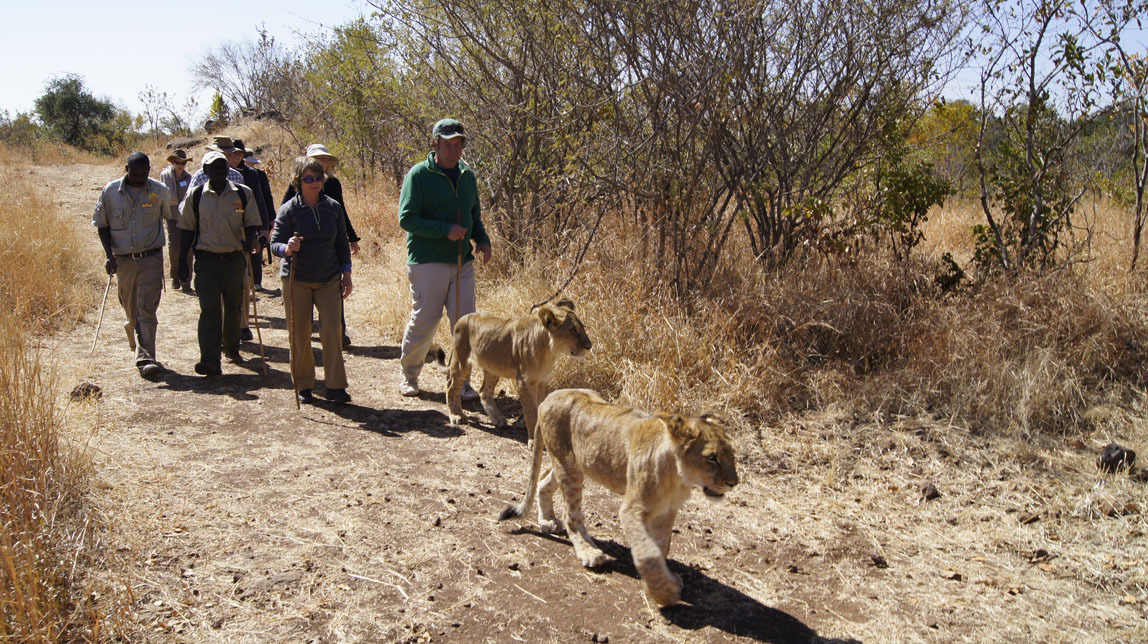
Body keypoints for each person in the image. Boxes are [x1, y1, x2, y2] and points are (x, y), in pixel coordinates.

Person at [397, 118, 491, 398]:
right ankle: (409, 375)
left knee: (464, 324)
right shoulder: (419, 175)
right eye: (447, 144)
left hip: (462, 261)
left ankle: (460, 380)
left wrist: (482, 239)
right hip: (428, 260)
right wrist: (444, 231)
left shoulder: (467, 176)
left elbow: (474, 215)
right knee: (426, 319)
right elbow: (407, 218)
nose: (453, 149)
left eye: (458, 144)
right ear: (435, 144)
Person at [270, 156, 353, 404]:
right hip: (297, 279)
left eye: (318, 178)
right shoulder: (288, 210)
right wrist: (287, 248)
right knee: (300, 332)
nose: (314, 183)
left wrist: (346, 274)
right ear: (299, 181)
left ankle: (336, 386)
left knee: (332, 330)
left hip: (328, 277)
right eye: (308, 179)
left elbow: (341, 243)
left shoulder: (333, 207)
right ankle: (304, 384)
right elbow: (274, 243)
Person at [176, 151, 261, 377]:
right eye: (214, 168)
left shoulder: (243, 194)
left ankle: (231, 346)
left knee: (233, 306)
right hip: (206, 260)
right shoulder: (195, 196)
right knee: (209, 310)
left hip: (234, 259)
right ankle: (210, 359)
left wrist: (249, 240)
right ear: (206, 172)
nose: (220, 172)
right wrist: (182, 262)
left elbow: (252, 222)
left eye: (223, 167)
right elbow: (186, 231)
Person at [93, 152, 175, 378]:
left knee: (147, 308)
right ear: (126, 169)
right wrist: (109, 256)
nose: (140, 177)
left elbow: (170, 220)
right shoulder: (110, 192)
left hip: (151, 258)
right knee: (130, 307)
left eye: (144, 173)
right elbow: (102, 225)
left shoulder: (160, 191)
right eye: (135, 173)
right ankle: (133, 326)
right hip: (124, 260)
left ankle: (146, 356)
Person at [282, 143, 359, 347]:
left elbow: (340, 212)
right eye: (316, 159)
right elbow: (285, 211)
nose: (320, 163)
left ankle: (339, 332)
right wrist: (288, 243)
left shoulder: (333, 184)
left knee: (333, 284)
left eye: (324, 159)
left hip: (330, 241)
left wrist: (352, 237)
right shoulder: (296, 185)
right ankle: (306, 331)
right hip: (303, 248)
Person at [160, 149, 194, 293]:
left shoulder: (189, 178)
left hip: (186, 218)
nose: (181, 165)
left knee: (188, 251)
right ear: (172, 162)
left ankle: (186, 280)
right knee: (174, 249)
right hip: (172, 217)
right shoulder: (165, 176)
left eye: (183, 162)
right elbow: (165, 196)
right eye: (178, 162)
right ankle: (175, 276)